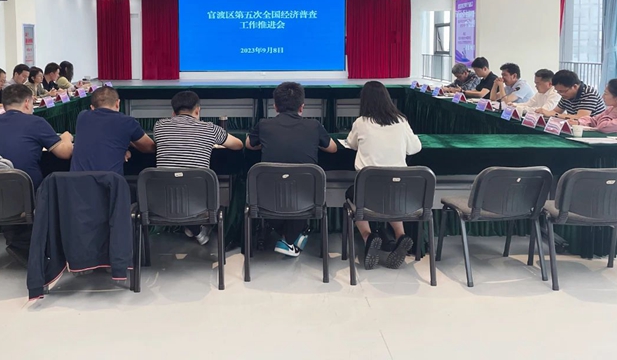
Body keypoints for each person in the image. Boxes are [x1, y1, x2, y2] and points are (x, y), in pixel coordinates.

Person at [0, 84, 74, 265]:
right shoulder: (36, 122)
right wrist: (66, 137)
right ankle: (34, 243)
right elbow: (65, 153)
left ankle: (17, 240)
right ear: (26, 103)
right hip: (26, 189)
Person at [246, 82, 338, 257]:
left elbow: (249, 144)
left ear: (275, 107)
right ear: (302, 107)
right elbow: (332, 148)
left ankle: (289, 238)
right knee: (301, 189)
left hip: (266, 200)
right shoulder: (314, 126)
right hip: (307, 200)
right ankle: (290, 239)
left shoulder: (264, 125)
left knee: (279, 191)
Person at [345, 81, 422, 270]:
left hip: (367, 192)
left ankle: (368, 237)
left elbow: (351, 144)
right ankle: (401, 236)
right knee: (391, 197)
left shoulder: (361, 122)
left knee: (353, 195)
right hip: (399, 192)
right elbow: (415, 148)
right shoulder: (401, 121)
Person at [154, 91, 243, 245]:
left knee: (179, 186)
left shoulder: (159, 126)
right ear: (197, 110)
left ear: (173, 113)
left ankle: (194, 228)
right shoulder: (210, 128)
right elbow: (238, 145)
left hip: (163, 200)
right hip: (199, 202)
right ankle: (195, 227)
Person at [71, 87, 155, 175]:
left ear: (92, 107)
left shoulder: (82, 116)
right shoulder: (127, 122)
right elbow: (150, 148)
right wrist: (124, 145)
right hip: (109, 182)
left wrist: (122, 147)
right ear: (118, 103)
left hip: (76, 182)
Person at [538, 69, 605, 119]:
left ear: (575, 86)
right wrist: (543, 113)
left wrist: (555, 115)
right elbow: (556, 111)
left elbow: (581, 118)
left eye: (562, 91)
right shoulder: (566, 95)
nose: (561, 94)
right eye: (558, 91)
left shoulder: (589, 94)